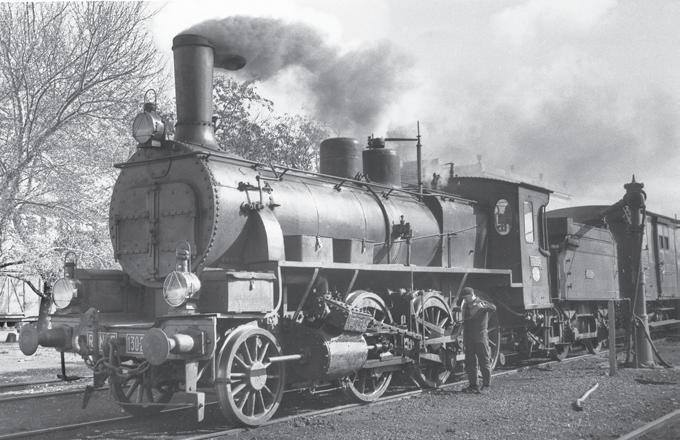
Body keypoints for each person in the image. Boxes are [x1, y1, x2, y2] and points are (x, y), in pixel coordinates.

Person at [460, 287, 496, 394]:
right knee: (470, 362)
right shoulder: (466, 306)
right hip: (469, 338)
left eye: (466, 298)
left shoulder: (482, 303)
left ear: (472, 295)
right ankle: (473, 385)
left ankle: (486, 386)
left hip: (480, 337)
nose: (465, 300)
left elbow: (494, 308)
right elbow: (465, 321)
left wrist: (484, 306)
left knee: (484, 361)